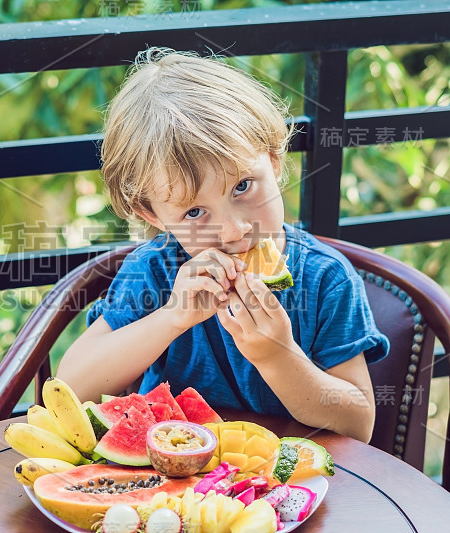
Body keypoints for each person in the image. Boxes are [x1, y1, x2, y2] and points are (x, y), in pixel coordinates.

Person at [57, 48, 389, 443]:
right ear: (153, 216)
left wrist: (277, 355)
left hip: (289, 483)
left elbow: (358, 425)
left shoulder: (326, 278)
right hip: (176, 485)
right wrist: (172, 318)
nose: (233, 230)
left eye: (243, 186)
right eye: (194, 212)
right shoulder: (153, 273)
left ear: (274, 160)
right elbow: (71, 387)